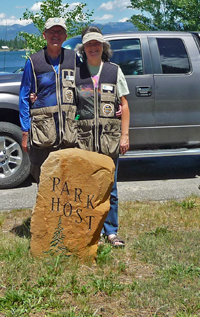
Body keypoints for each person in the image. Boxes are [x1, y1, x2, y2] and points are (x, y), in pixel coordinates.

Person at [75, 26, 130, 247]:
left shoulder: (114, 71)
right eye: (89, 44)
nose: (93, 47)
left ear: (103, 47)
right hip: (85, 140)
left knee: (110, 188)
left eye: (96, 43)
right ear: (84, 48)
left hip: (109, 139)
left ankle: (111, 232)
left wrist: (124, 136)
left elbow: (124, 105)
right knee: (88, 187)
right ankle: (92, 231)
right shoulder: (76, 73)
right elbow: (68, 102)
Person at [19, 17, 77, 183]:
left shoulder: (74, 59)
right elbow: (24, 97)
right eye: (52, 31)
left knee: (69, 181)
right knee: (44, 181)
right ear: (44, 35)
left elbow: (85, 89)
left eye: (60, 32)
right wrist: (25, 131)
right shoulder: (34, 61)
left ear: (65, 36)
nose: (56, 35)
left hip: (69, 133)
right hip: (43, 133)